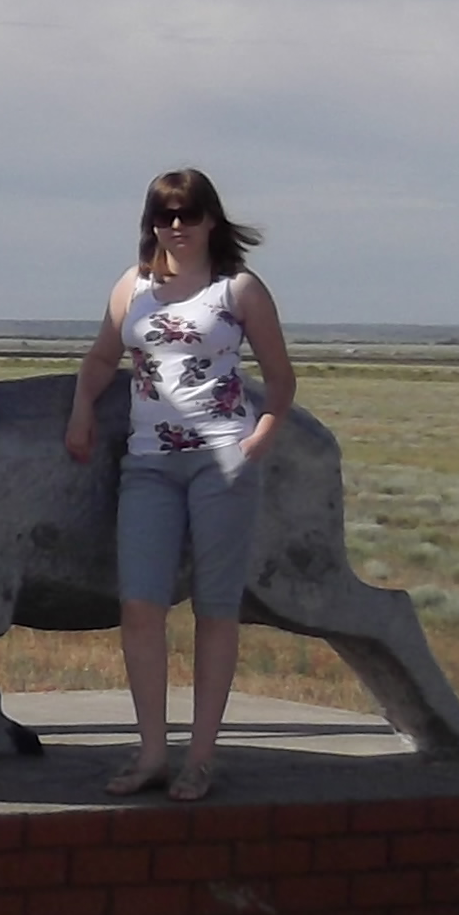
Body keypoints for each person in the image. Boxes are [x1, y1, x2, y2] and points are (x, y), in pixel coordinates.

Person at [62, 168, 293, 802]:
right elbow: (103, 356)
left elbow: (280, 378)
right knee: (140, 606)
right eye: (164, 215)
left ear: (211, 219)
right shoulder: (132, 286)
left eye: (188, 214)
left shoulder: (237, 289)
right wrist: (82, 409)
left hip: (222, 461)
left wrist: (260, 437)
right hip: (148, 464)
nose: (176, 226)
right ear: (151, 223)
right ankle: (152, 754)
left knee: (215, 608)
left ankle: (201, 758)